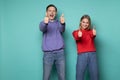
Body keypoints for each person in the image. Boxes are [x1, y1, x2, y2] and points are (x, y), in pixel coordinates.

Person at [39, 4, 65, 80]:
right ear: (46, 13)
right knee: (46, 77)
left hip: (60, 53)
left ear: (56, 13)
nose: (52, 12)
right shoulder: (42, 23)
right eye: (50, 11)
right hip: (48, 54)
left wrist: (62, 23)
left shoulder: (58, 23)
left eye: (54, 11)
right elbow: (42, 28)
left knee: (62, 77)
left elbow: (62, 30)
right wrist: (45, 23)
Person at [72, 15, 98, 80]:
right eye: (83, 22)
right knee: (79, 76)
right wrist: (79, 35)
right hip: (82, 55)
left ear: (89, 24)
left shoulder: (91, 32)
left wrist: (94, 34)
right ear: (80, 22)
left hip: (92, 55)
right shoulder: (76, 32)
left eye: (87, 22)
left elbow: (92, 36)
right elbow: (76, 37)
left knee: (95, 75)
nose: (85, 24)